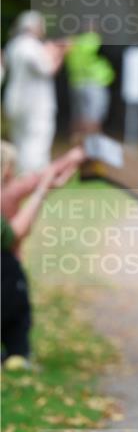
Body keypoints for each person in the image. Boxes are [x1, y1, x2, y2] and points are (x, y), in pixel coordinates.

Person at [1, 141, 83, 368]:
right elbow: (13, 235)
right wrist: (43, 190)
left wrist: (71, 160)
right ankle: (17, 352)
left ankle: (15, 353)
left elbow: (38, 178)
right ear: (7, 170)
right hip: (6, 274)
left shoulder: (8, 190)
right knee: (15, 308)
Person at [2, 11, 69, 173]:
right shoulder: (31, 47)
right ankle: (32, 177)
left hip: (14, 100)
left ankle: (19, 174)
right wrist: (61, 52)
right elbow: (47, 69)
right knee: (37, 141)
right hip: (36, 103)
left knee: (19, 141)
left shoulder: (13, 45)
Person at [65, 29, 115, 139]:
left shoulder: (73, 43)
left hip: (76, 83)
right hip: (95, 83)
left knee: (78, 118)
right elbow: (108, 54)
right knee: (93, 118)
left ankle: (76, 147)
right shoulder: (94, 39)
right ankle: (92, 147)